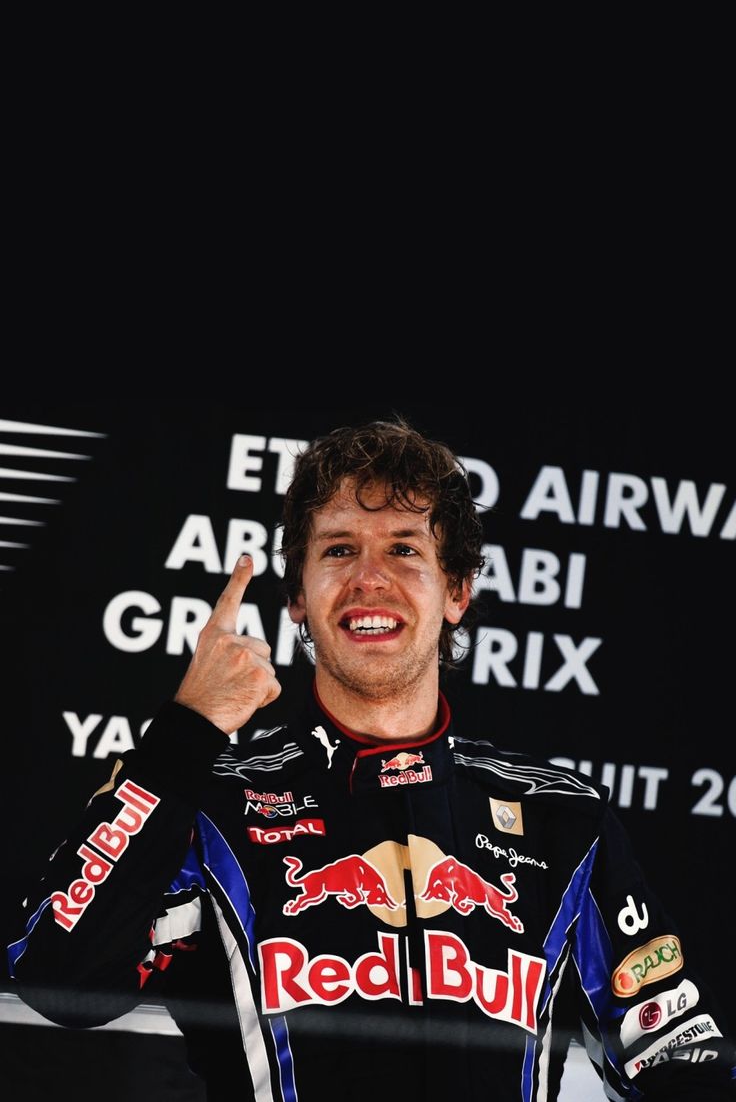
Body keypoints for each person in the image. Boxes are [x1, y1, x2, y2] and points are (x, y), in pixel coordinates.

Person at [6, 419, 735, 1100]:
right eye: (339, 547)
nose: (369, 577)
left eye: (405, 548)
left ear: (457, 591)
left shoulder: (563, 819)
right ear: (297, 596)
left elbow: (676, 1058)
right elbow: (53, 975)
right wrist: (186, 731)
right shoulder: (211, 804)